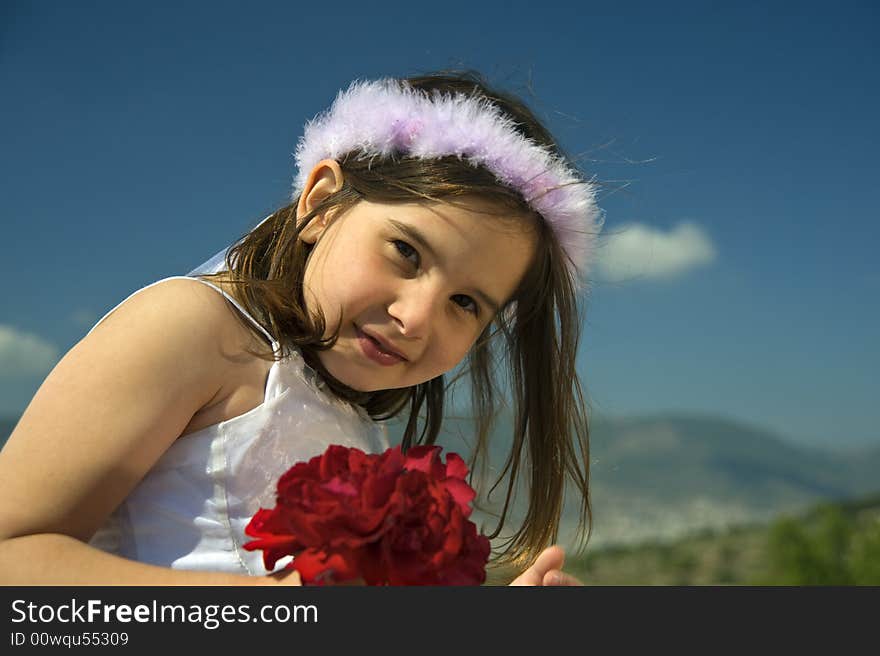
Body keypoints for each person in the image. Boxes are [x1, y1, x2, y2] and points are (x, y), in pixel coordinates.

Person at [0, 71, 602, 586]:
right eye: (406, 253)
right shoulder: (190, 329)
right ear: (320, 202)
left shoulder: (360, 423)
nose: (416, 317)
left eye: (466, 302)